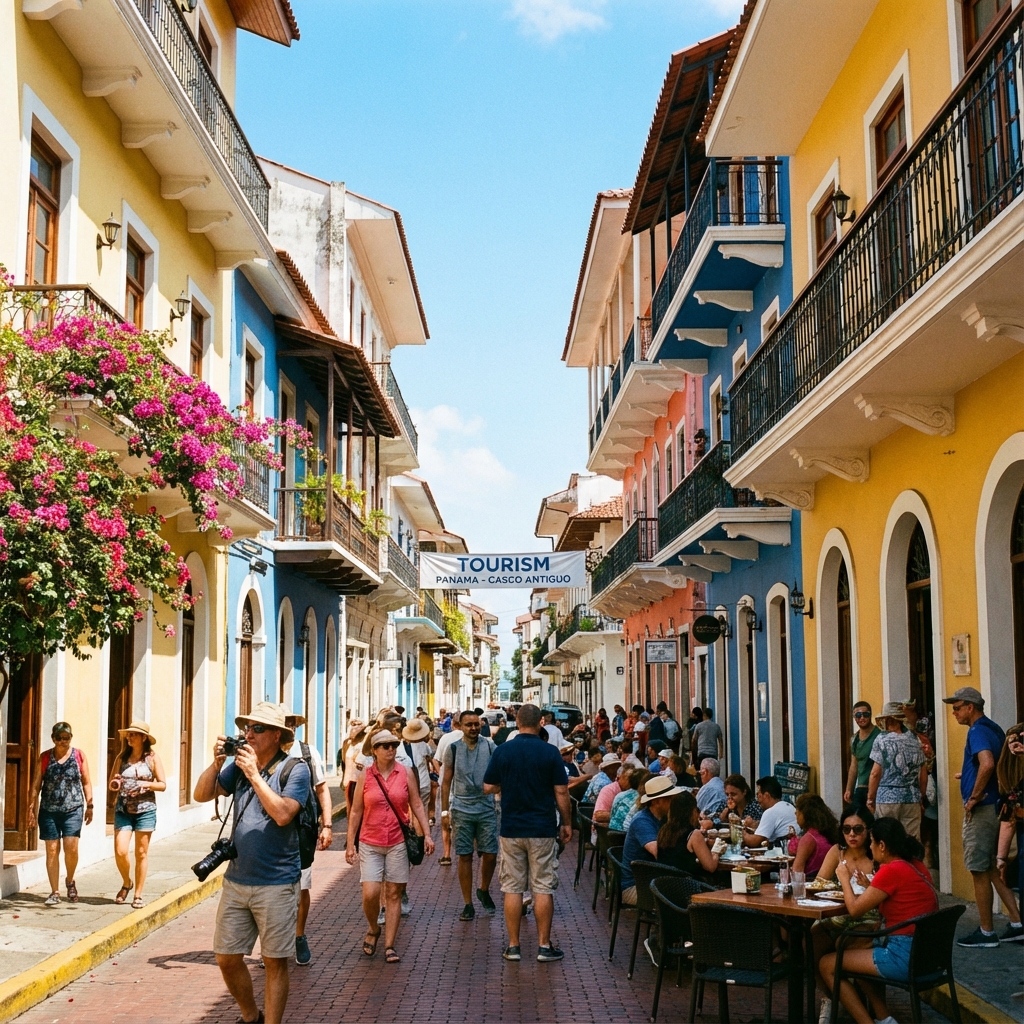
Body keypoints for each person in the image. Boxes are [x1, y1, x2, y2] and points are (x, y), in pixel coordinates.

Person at [193, 702, 311, 1024]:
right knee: (226, 957)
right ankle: (250, 1016)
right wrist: (217, 763)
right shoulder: (239, 767)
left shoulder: (294, 769)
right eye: (247, 728)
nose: (249, 734)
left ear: (276, 735)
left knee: (274, 962)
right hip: (237, 880)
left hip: (277, 882)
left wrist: (255, 776)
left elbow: (284, 814)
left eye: (257, 729)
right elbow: (201, 794)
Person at [818, 817, 938, 1024]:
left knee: (826, 964)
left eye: (872, 842)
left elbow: (854, 911)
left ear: (882, 845)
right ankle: (884, 1019)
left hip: (904, 956)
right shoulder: (915, 865)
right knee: (858, 950)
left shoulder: (890, 870)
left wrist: (844, 879)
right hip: (929, 956)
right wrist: (867, 887)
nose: (870, 847)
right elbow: (904, 901)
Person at [482, 704, 572, 963]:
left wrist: (507, 784)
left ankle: (513, 946)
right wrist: (566, 823)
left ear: (516, 722)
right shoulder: (550, 752)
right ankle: (544, 946)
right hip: (542, 827)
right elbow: (562, 791)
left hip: (511, 828)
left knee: (512, 888)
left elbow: (488, 786)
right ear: (540, 722)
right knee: (543, 887)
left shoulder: (503, 750)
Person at [345, 729, 434, 964]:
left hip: (397, 842)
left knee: (394, 894)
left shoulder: (405, 773)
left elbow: (416, 804)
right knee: (371, 893)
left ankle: (390, 945)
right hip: (370, 841)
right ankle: (374, 928)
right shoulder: (365, 776)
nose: (391, 749)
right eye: (385, 746)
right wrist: (349, 843)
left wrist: (427, 834)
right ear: (374, 751)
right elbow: (356, 811)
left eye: (394, 745)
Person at [943, 687, 1022, 947]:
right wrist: (965, 776)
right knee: (990, 867)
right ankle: (1017, 922)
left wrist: (974, 796)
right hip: (994, 804)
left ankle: (986, 932)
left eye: (957, 707)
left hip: (983, 808)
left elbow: (987, 763)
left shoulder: (977, 730)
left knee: (978, 868)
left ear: (970, 707)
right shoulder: (994, 728)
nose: (954, 713)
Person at [811, 804, 882, 1019]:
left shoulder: (877, 855)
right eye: (846, 829)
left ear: (869, 830)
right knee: (811, 940)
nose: (852, 834)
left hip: (867, 917)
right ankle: (830, 997)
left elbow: (881, 896)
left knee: (845, 943)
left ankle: (851, 1001)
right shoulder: (837, 852)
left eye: (858, 829)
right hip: (836, 914)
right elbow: (818, 884)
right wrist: (833, 887)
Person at [27, 722, 94, 906]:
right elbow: (35, 785)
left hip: (73, 809)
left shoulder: (79, 756)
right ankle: (54, 891)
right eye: (60, 738)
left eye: (67, 737)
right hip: (49, 811)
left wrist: (90, 805)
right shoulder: (45, 757)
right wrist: (31, 807)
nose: (63, 741)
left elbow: (86, 782)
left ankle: (70, 881)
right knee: (52, 849)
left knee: (71, 847)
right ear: (53, 739)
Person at [441, 708, 498, 921]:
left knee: (490, 854)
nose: (473, 728)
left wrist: (496, 789)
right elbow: (446, 781)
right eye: (468, 725)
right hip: (462, 809)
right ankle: (468, 903)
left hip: (486, 808)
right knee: (464, 855)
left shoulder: (491, 746)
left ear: (480, 725)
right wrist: (445, 811)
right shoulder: (453, 748)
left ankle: (483, 889)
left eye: (476, 724)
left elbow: (499, 773)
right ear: (460, 726)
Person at [285, 722, 333, 967]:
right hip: (271, 831)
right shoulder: (260, 754)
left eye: (292, 723)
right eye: (284, 723)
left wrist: (327, 825)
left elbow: (322, 789)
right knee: (271, 889)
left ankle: (299, 936)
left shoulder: (307, 752)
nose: (289, 728)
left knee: (302, 885)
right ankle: (274, 943)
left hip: (302, 829)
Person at [108, 721, 166, 909]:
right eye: (129, 734)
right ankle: (127, 882)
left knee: (141, 853)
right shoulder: (121, 758)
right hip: (123, 809)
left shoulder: (152, 758)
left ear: (143, 738)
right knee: (120, 850)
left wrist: (147, 784)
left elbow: (163, 784)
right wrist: (115, 782)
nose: (129, 737)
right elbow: (112, 782)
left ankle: (138, 894)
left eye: (133, 734)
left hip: (145, 810)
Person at [620, 776, 684, 904]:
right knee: (687, 896)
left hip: (655, 880)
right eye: (668, 798)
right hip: (637, 887)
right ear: (656, 802)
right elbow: (659, 853)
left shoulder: (664, 818)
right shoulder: (642, 821)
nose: (673, 801)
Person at [866, 701, 925, 837]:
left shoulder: (882, 739)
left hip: (887, 798)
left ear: (887, 719)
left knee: (886, 839)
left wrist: (870, 798)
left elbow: (875, 773)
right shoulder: (914, 739)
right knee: (911, 839)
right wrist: (920, 796)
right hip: (911, 798)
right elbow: (923, 773)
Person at [657, 790, 726, 884]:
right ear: (693, 811)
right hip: (688, 887)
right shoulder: (694, 834)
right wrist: (716, 851)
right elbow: (710, 867)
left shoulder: (663, 831)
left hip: (665, 888)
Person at [996, 723, 1024, 936]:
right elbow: (1008, 819)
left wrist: (1001, 858)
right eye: (1014, 741)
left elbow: (1008, 821)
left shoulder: (1014, 778)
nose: (1017, 746)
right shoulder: (1012, 778)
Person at [432, 711, 462, 866]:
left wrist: (441, 772)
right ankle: (464, 854)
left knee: (445, 820)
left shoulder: (445, 738)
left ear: (453, 724)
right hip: (464, 787)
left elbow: (435, 760)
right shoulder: (472, 739)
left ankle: (446, 854)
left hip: (446, 785)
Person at [788, 793, 839, 876]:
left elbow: (797, 870)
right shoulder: (829, 833)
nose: (795, 815)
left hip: (811, 883)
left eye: (797, 812)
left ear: (804, 814)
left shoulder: (809, 838)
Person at [742, 776, 798, 847]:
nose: (757, 800)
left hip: (782, 851)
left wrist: (740, 831)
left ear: (766, 795)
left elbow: (754, 842)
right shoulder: (789, 806)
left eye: (758, 795)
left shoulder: (771, 812)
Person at [844, 701, 881, 808]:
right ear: (854, 717)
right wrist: (848, 789)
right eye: (858, 715)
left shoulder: (879, 735)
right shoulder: (854, 739)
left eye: (866, 714)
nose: (862, 718)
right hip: (861, 787)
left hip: (877, 786)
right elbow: (854, 766)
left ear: (870, 715)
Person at [610, 768, 651, 833]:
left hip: (610, 834)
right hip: (624, 837)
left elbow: (612, 815)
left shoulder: (619, 795)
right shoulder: (642, 799)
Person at [341, 719, 367, 815]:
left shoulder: (363, 745)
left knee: (358, 811)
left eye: (359, 724)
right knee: (351, 811)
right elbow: (345, 761)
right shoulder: (347, 743)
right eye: (353, 724)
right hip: (350, 782)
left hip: (360, 781)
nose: (355, 727)